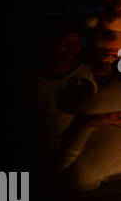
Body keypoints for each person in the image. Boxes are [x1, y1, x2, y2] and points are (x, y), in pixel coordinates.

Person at [27, 25, 95, 161]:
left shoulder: (85, 76)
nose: (73, 47)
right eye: (66, 43)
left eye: (77, 43)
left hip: (56, 153)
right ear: (46, 44)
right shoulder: (30, 76)